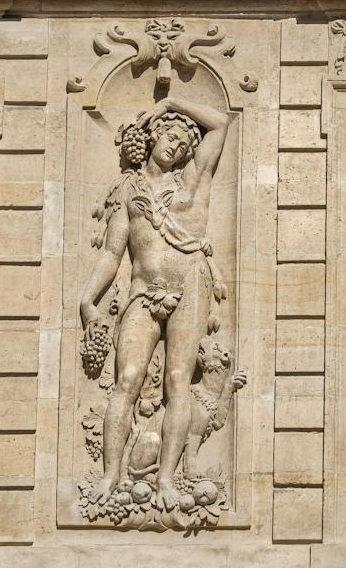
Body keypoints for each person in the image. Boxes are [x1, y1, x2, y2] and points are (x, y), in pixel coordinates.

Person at [79, 93, 230, 512]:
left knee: (179, 380)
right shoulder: (130, 191)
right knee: (127, 378)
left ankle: (166, 477)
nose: (177, 147)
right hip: (143, 293)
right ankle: (111, 475)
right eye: (171, 138)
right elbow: (111, 254)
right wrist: (88, 302)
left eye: (184, 144)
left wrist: (173, 103)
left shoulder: (194, 183)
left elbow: (220, 123)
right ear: (154, 138)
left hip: (191, 288)